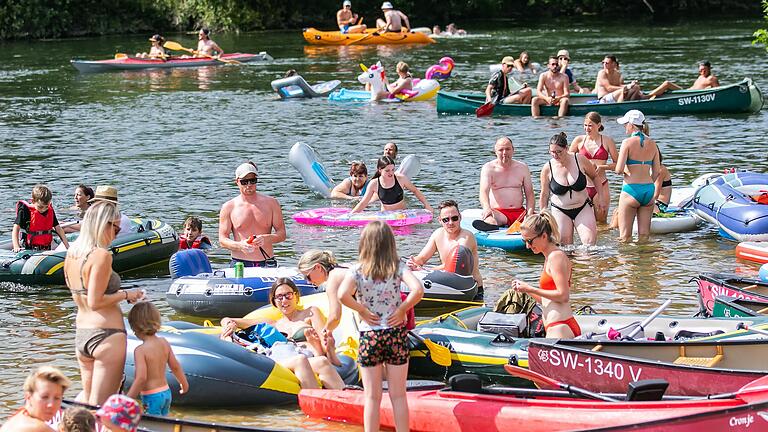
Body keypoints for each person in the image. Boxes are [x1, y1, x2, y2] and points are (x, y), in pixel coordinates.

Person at [338, 221, 424, 432]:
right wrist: (402, 309)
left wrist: (362, 310)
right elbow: (418, 290)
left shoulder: (357, 270)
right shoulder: (397, 266)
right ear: (390, 243)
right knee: (398, 395)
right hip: (395, 334)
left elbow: (342, 295)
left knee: (372, 397)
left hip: (370, 336)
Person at [64, 200, 146, 405]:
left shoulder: (72, 253)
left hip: (82, 332)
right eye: (116, 228)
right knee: (101, 409)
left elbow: (84, 295)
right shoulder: (101, 255)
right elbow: (96, 301)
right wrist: (128, 294)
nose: (116, 234)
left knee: (87, 402)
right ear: (102, 224)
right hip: (106, 335)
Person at [220, 278, 345, 390]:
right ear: (274, 301)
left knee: (322, 361)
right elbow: (227, 319)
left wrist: (316, 343)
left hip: (308, 357)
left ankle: (346, 400)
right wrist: (229, 324)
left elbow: (325, 344)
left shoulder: (310, 313)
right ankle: (313, 407)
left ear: (296, 295)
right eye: (279, 297)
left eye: (288, 295)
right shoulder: (271, 323)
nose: (284, 300)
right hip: (281, 361)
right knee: (300, 360)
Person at [512, 211, 581, 338]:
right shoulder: (549, 258)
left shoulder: (556, 257)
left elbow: (563, 296)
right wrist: (526, 290)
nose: (527, 246)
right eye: (524, 241)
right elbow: (547, 300)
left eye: (530, 241)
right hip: (556, 326)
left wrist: (530, 288)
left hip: (560, 327)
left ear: (544, 236)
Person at [539, 132, 604, 246]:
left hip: (582, 207)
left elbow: (595, 177)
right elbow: (544, 194)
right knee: (566, 247)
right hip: (560, 209)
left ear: (567, 148)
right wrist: (543, 212)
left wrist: (601, 198)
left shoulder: (579, 159)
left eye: (559, 152)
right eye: (552, 152)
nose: (556, 155)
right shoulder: (547, 168)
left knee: (589, 244)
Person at [126, 301, 188, 415]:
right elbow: (175, 366)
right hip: (166, 392)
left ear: (135, 328)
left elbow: (141, 378)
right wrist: (183, 383)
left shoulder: (140, 350)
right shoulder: (164, 342)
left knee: (154, 424)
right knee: (163, 424)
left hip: (151, 395)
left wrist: (128, 399)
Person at [219, 161, 286, 267]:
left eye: (252, 181)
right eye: (244, 182)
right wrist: (240, 245)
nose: (249, 185)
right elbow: (222, 240)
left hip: (267, 261)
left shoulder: (272, 203)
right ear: (237, 182)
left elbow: (282, 234)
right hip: (240, 262)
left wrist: (266, 238)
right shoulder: (229, 207)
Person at [407, 200, 483, 290]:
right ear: (440, 220)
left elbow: (454, 266)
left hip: (470, 288)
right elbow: (422, 258)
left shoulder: (466, 237)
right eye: (446, 220)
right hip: (449, 285)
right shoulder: (438, 234)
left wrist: (425, 271)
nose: (450, 223)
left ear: (460, 217)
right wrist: (412, 263)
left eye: (454, 218)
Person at [614, 110, 660, 241]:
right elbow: (657, 171)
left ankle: (627, 261)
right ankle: (644, 260)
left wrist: (625, 171)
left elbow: (618, 169)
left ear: (632, 124)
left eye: (625, 124)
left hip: (631, 190)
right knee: (644, 237)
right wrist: (648, 182)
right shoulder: (653, 143)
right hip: (649, 190)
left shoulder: (627, 143)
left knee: (624, 238)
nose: (624, 126)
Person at [476, 137, 535, 230]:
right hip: (499, 213)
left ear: (513, 150)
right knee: (491, 221)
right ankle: (489, 227)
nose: (504, 153)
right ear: (495, 151)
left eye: (507, 149)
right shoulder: (488, 168)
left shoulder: (522, 168)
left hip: (520, 212)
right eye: (501, 150)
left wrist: (529, 213)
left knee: (541, 221)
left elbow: (530, 194)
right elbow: (483, 192)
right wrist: (486, 208)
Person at [569, 112, 618, 223]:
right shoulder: (579, 140)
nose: (587, 128)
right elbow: (568, 161)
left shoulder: (607, 141)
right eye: (585, 125)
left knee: (601, 223)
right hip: (583, 186)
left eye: (590, 125)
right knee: (583, 222)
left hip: (601, 185)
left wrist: (602, 167)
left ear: (599, 125)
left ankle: (603, 241)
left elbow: (618, 165)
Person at [0, 366, 71, 432]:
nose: (51, 404)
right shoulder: (36, 428)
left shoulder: (19, 417)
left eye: (57, 398)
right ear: (28, 397)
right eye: (44, 397)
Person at [352, 156, 433, 213]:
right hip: (386, 216)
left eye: (392, 169)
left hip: (402, 214)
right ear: (380, 170)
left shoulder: (401, 179)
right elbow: (363, 203)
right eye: (387, 171)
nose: (391, 173)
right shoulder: (374, 183)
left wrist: (427, 205)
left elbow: (415, 191)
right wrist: (351, 215)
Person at [298, 250, 348, 333]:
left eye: (307, 277)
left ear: (318, 267)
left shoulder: (333, 280)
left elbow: (335, 317)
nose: (308, 282)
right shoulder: (341, 270)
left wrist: (324, 333)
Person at [12, 184, 70, 252]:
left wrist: (67, 246)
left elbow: (58, 228)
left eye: (46, 206)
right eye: (40, 207)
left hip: (46, 247)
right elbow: (16, 228)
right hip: (29, 248)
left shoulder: (49, 210)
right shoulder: (25, 210)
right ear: (33, 201)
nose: (44, 209)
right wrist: (16, 246)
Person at [653, 149, 673, 214]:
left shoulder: (660, 170)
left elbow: (655, 195)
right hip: (654, 203)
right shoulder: (652, 169)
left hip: (660, 206)